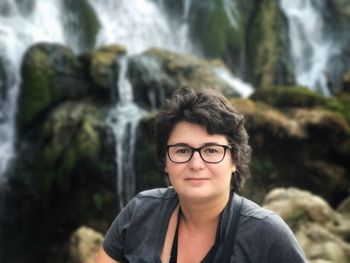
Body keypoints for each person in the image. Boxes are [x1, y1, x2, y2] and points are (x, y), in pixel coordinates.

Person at [95, 87, 307, 263]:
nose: (196, 164)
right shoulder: (140, 214)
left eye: (211, 150)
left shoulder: (267, 235)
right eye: (182, 150)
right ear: (166, 162)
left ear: (234, 159)